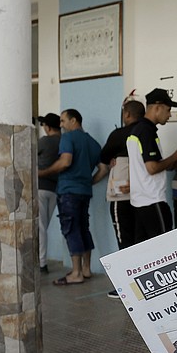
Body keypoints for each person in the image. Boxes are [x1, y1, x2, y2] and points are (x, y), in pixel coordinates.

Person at [40, 109, 107, 286]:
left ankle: (76, 273)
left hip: (69, 190)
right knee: (83, 228)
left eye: (63, 121)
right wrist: (89, 182)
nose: (61, 125)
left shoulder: (68, 138)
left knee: (71, 229)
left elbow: (65, 161)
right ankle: (86, 269)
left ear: (74, 120)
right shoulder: (93, 144)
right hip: (84, 192)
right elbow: (104, 169)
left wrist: (42, 173)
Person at [127, 88, 177, 244]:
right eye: (168, 110)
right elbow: (152, 168)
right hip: (152, 201)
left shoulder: (136, 130)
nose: (169, 115)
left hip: (139, 201)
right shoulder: (146, 131)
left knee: (143, 250)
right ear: (157, 107)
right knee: (162, 249)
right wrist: (176, 156)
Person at [100, 99, 144, 297]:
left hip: (121, 193)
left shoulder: (120, 134)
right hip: (142, 193)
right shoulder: (146, 132)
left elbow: (103, 155)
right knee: (137, 237)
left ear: (126, 115)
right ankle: (138, 283)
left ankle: (125, 285)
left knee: (123, 239)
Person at [36, 113, 61, 274]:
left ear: (48, 127)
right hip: (56, 189)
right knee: (44, 226)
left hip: (40, 187)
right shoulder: (64, 141)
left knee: (40, 227)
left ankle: (42, 263)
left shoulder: (45, 141)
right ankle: (41, 260)